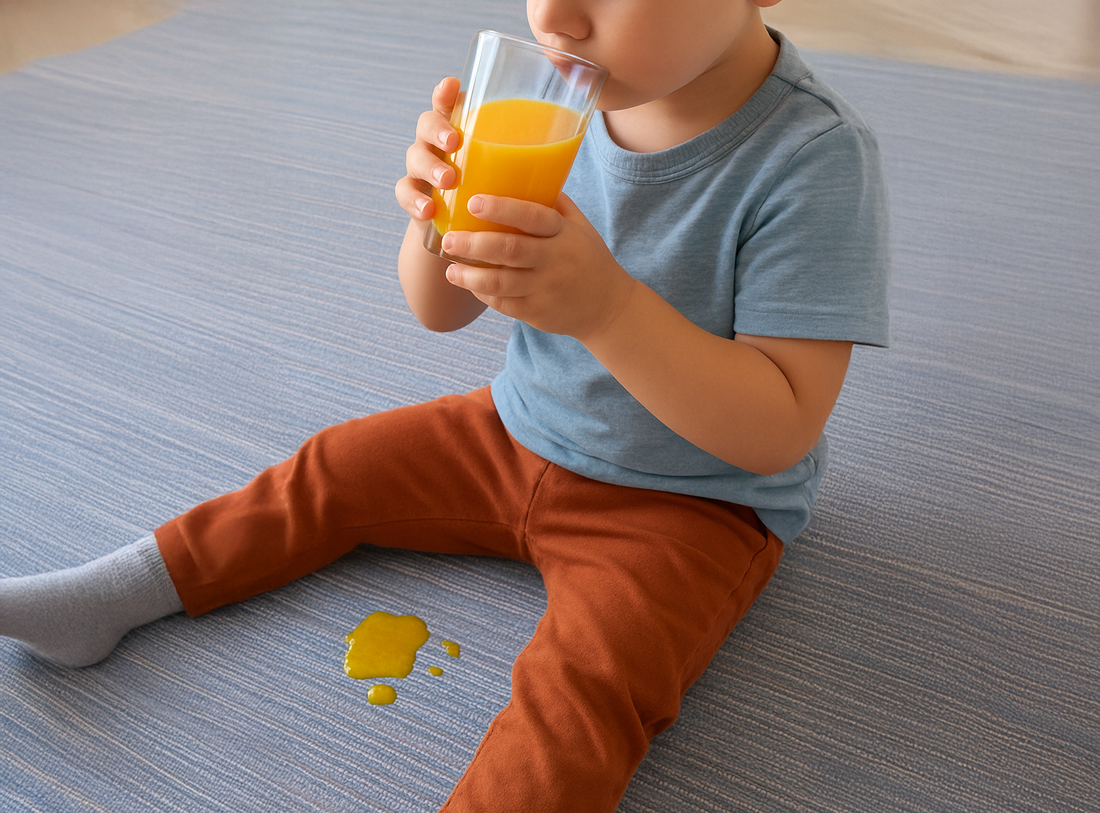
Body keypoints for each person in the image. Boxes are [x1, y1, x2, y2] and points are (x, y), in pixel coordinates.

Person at [0, 0, 889, 810]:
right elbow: (439, 309)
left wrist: (609, 310)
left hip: (691, 500)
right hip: (513, 429)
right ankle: (107, 595)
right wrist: (436, 211)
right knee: (332, 469)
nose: (558, 16)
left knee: (586, 687)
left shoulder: (813, 159)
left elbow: (779, 429)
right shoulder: (550, 96)